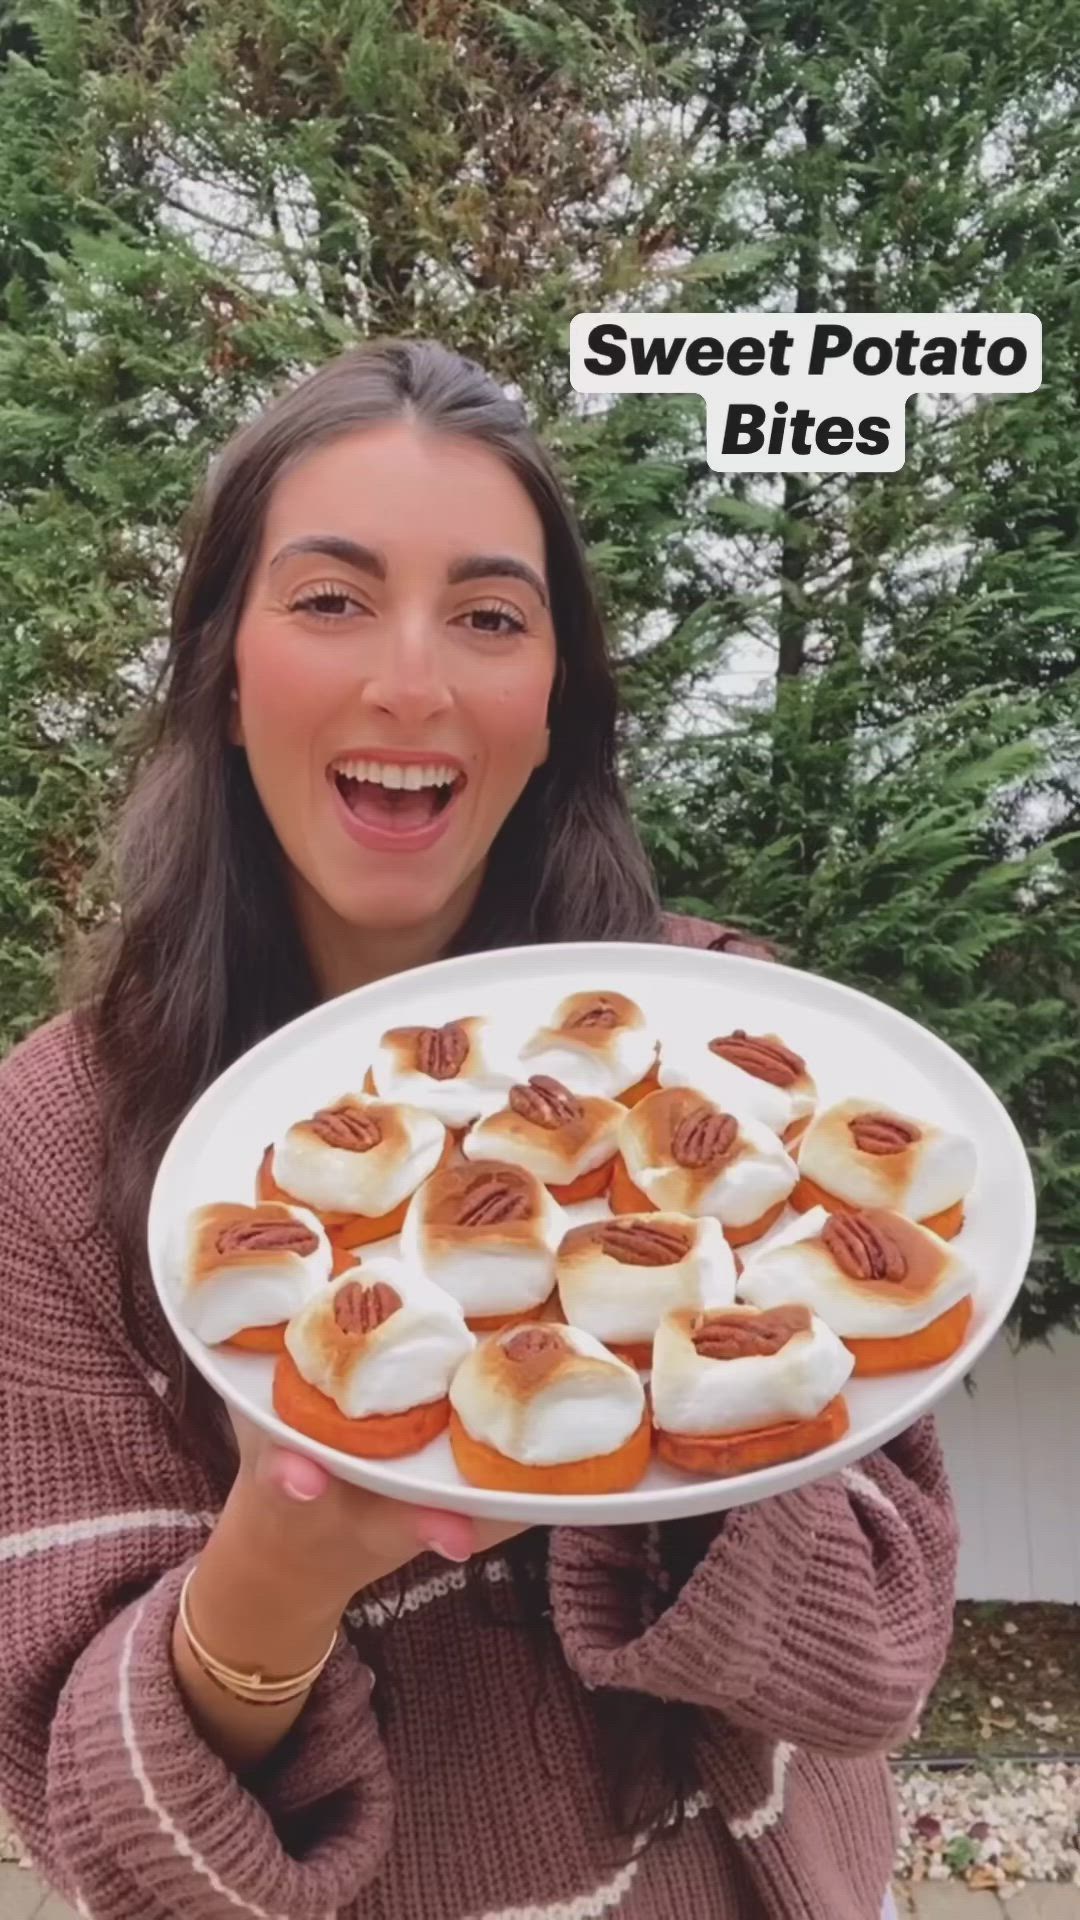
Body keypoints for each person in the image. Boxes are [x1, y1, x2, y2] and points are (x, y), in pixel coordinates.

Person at [0, 339, 953, 1920]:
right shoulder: (51, 1147)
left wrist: (677, 1397)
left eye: (493, 618)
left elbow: (877, 1661)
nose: (414, 680)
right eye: (330, 599)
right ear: (222, 677)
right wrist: (276, 1577)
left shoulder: (728, 1047)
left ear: (556, 694)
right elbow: (115, 1853)